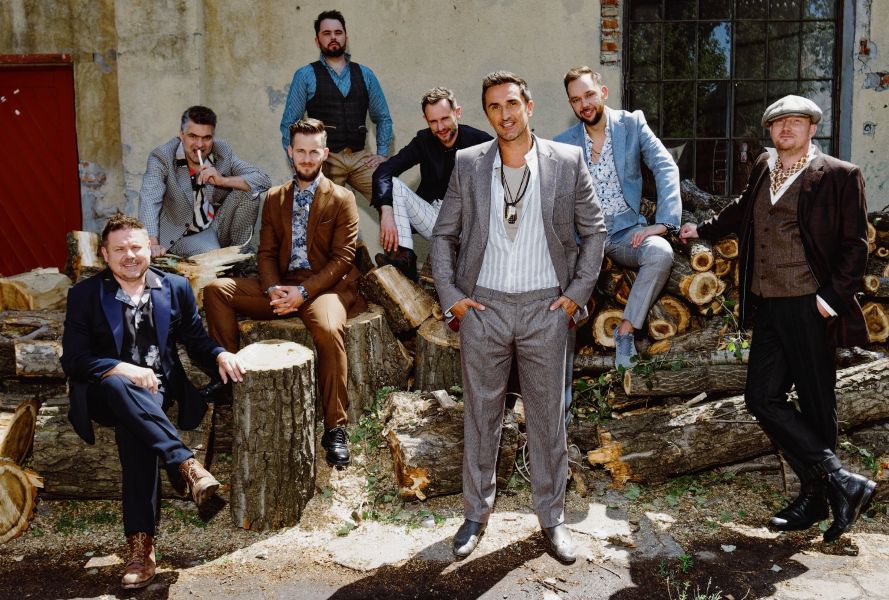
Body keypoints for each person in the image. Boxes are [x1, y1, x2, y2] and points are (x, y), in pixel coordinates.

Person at [679, 95, 876, 542]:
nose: (786, 129)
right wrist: (701, 229)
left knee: (817, 402)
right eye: (778, 123)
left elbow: (856, 245)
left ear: (812, 128)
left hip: (810, 304)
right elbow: (742, 210)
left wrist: (830, 298)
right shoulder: (764, 166)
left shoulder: (839, 174)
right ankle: (841, 481)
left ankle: (817, 499)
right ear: (769, 131)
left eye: (796, 122)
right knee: (762, 397)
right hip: (767, 302)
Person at [431, 71, 605, 563]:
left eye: (512, 104)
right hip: (483, 309)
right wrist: (452, 296)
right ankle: (475, 516)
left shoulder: (566, 161)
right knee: (480, 416)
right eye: (494, 107)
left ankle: (552, 519)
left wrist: (576, 294)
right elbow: (443, 235)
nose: (504, 114)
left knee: (548, 420)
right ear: (486, 114)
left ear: (529, 106)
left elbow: (595, 231)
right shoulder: (468, 163)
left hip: (545, 308)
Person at [61, 214, 245, 589]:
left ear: (150, 249)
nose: (129, 256)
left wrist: (220, 354)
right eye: (120, 249)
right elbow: (74, 360)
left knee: (136, 432)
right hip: (102, 390)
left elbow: (196, 340)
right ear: (105, 254)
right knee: (119, 387)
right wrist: (121, 368)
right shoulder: (85, 295)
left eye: (136, 247)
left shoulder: (174, 287)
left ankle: (141, 548)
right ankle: (185, 464)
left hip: (154, 390)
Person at [204, 118, 365, 468]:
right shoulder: (275, 198)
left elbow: (343, 259)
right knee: (216, 291)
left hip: (324, 288)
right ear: (290, 152)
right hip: (281, 284)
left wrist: (303, 292)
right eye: (300, 151)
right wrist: (273, 288)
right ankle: (227, 377)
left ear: (325, 153)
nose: (306, 158)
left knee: (328, 330)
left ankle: (336, 428)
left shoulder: (342, 199)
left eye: (314, 152)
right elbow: (265, 252)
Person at [555, 67, 679, 369]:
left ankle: (625, 332)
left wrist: (663, 222)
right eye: (576, 100)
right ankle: (559, 366)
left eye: (589, 95)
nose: (584, 104)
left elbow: (665, 166)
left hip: (626, 231)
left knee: (661, 253)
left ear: (603, 92)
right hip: (586, 236)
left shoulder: (632, 124)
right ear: (570, 105)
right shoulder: (563, 143)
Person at [371, 87, 492, 280]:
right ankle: (405, 261)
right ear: (426, 120)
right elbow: (384, 171)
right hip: (434, 219)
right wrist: (386, 211)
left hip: (468, 229)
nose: (440, 127)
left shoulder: (481, 142)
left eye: (445, 119)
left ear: (457, 112)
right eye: (433, 122)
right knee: (393, 184)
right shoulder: (424, 140)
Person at [279, 9, 392, 205]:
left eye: (338, 33)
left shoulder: (365, 74)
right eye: (327, 33)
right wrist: (301, 164)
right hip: (325, 159)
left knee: (394, 198)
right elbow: (290, 123)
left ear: (346, 37)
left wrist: (382, 154)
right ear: (317, 40)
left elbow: (383, 117)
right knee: (322, 214)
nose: (333, 37)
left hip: (360, 158)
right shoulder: (305, 75)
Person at [139, 105, 271, 258]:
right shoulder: (163, 157)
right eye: (193, 136)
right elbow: (149, 199)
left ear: (213, 137)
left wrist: (223, 181)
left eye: (206, 138)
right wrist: (152, 243)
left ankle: (239, 257)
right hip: (181, 235)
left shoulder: (221, 151)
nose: (200, 145)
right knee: (213, 256)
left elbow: (263, 180)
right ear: (181, 135)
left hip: (214, 227)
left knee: (249, 192)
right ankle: (225, 260)